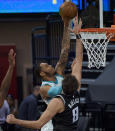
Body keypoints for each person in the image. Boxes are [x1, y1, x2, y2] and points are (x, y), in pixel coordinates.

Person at [6, 17, 83, 131]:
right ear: (42, 73)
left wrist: (66, 26)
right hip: (49, 124)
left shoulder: (61, 79)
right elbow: (65, 86)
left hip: (61, 117)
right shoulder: (44, 88)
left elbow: (65, 50)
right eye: (46, 66)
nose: (51, 65)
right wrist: (74, 72)